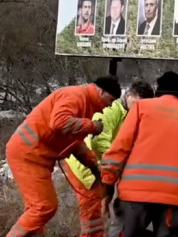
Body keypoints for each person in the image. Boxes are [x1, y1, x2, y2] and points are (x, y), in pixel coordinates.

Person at [5, 76, 121, 237]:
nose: (109, 105)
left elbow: (73, 143)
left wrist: (94, 166)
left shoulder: (86, 105)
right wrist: (92, 126)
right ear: (100, 91)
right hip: (28, 154)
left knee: (36, 210)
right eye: (110, 100)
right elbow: (59, 122)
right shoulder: (75, 95)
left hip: (38, 157)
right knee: (44, 207)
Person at [100, 72, 178, 237]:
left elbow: (119, 149)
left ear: (158, 93)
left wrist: (107, 187)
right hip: (175, 199)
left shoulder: (142, 108)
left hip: (135, 195)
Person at [60, 81, 155, 237]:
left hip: (97, 167)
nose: (140, 107)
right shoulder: (111, 110)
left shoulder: (126, 114)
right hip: (86, 167)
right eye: (138, 102)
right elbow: (98, 142)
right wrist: (114, 164)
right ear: (129, 95)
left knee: (97, 211)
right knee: (91, 212)